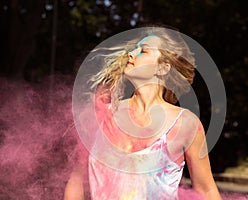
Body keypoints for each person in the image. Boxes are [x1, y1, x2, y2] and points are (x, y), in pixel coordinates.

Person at [64, 27, 222, 200]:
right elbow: (77, 180)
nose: (131, 54)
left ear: (162, 68)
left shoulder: (185, 124)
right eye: (134, 49)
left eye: (143, 51)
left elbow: (206, 191)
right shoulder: (103, 114)